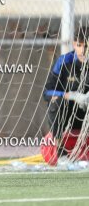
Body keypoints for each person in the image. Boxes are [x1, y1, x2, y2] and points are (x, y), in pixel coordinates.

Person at [43, 26, 89, 157]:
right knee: (55, 101)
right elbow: (47, 93)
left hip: (86, 115)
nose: (83, 50)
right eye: (80, 45)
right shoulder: (64, 61)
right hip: (68, 116)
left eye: (86, 46)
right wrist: (71, 96)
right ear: (74, 44)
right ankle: (59, 148)